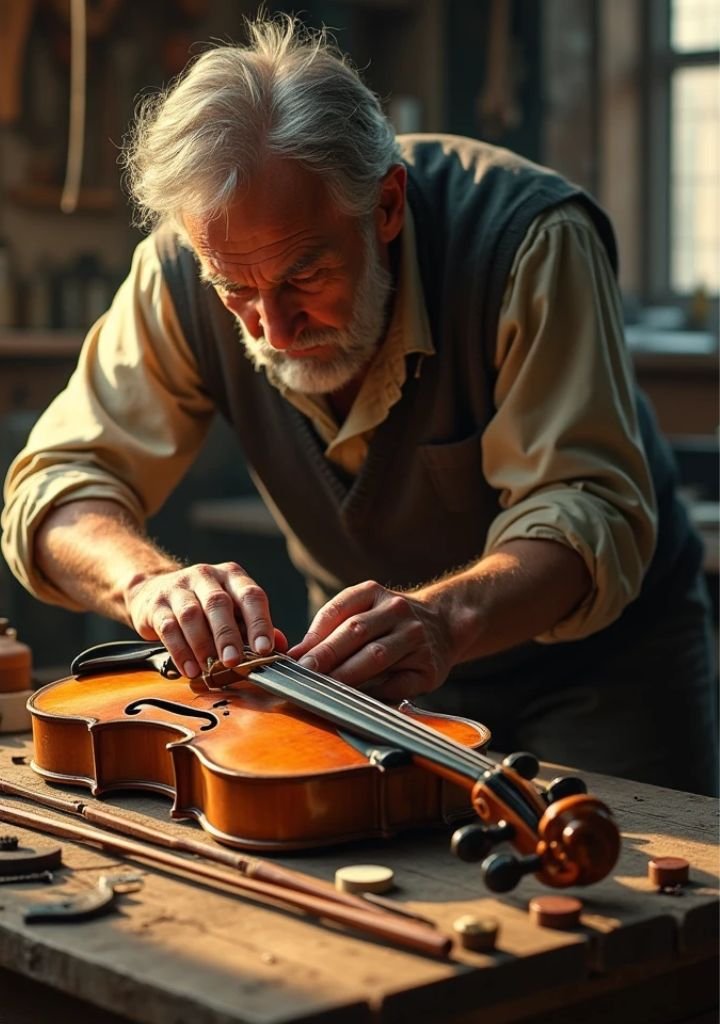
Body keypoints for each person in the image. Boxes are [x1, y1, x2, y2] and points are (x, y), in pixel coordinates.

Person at [2, 15, 717, 796]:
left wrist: (445, 621)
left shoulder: (527, 240)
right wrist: (146, 585)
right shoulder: (182, 267)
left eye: (304, 277)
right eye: (235, 290)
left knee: (626, 899)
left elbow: (584, 509)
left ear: (386, 207)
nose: (271, 328)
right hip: (370, 682)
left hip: (598, 673)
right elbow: (57, 489)